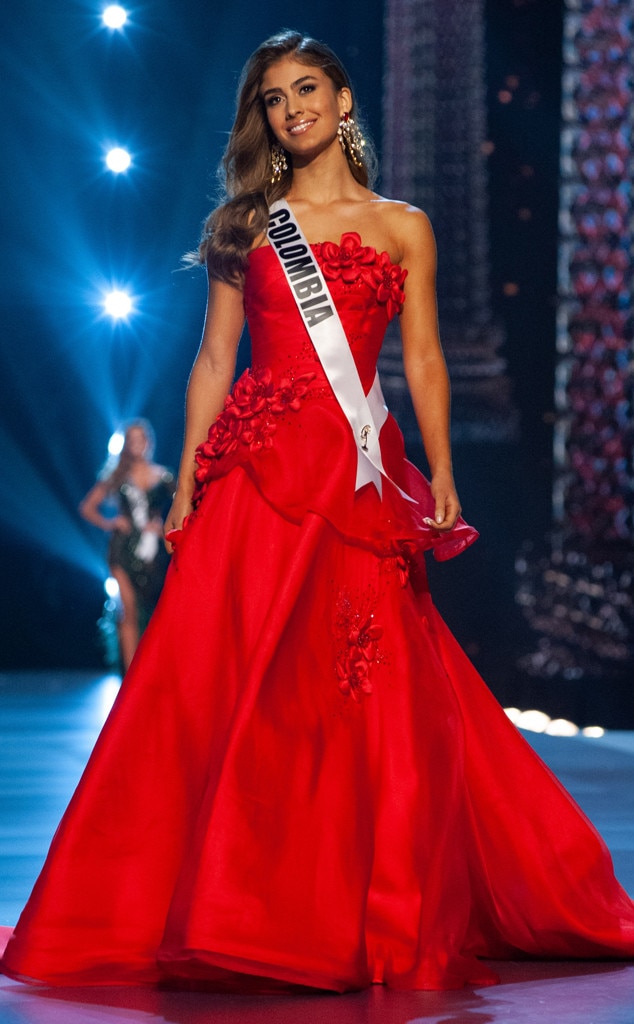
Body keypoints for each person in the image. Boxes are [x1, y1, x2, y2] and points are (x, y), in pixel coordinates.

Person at [2, 30, 634, 993]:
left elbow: (421, 358)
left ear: (343, 99)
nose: (289, 107)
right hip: (255, 477)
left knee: (362, 693)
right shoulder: (243, 225)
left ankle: (356, 911)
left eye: (305, 88)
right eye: (270, 97)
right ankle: (227, 906)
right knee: (231, 690)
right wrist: (185, 483)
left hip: (358, 480)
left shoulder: (403, 225)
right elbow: (215, 359)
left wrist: (446, 470)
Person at [79, 420, 173, 670]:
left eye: (140, 439)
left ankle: (153, 670)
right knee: (128, 610)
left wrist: (163, 527)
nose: (136, 445)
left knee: (156, 612)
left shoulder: (164, 476)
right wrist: (109, 523)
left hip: (152, 552)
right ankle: (131, 673)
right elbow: (87, 507)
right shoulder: (117, 477)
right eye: (130, 440)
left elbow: (185, 504)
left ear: (149, 442)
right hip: (121, 550)